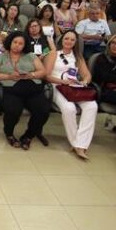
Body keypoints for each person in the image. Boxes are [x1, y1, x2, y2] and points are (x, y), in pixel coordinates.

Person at [0, 31, 49, 150]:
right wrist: (8, 76)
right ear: (10, 42)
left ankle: (29, 135)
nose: (17, 45)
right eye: (15, 42)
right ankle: (9, 133)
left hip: (32, 89)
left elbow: (43, 72)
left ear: (24, 45)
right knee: (13, 111)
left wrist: (31, 75)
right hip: (12, 89)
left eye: (21, 43)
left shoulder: (31, 56)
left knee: (43, 110)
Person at [45, 30, 97, 160]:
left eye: (72, 40)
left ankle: (81, 143)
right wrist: (63, 82)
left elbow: (87, 75)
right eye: (66, 38)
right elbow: (46, 76)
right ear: (62, 40)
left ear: (76, 43)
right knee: (69, 109)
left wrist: (84, 82)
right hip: (57, 85)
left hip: (74, 87)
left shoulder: (78, 57)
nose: (69, 41)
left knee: (92, 106)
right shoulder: (54, 54)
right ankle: (76, 144)